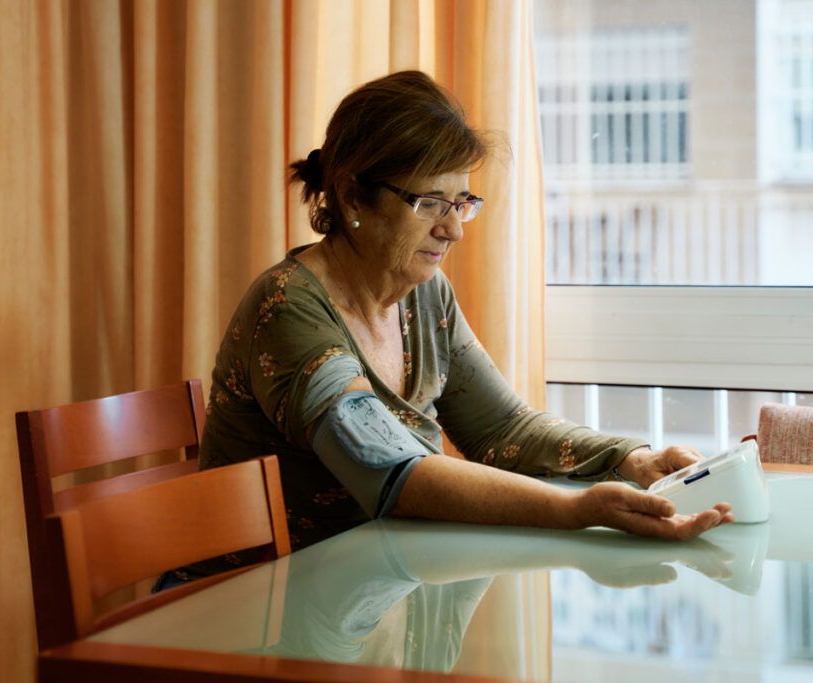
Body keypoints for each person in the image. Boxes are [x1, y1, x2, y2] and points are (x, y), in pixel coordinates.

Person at [199, 70, 732, 555]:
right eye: (429, 202)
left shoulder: (425, 295)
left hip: (375, 582)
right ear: (352, 196)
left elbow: (504, 429)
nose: (452, 229)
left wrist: (630, 459)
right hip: (261, 604)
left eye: (462, 203)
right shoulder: (287, 309)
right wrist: (573, 510)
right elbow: (394, 475)